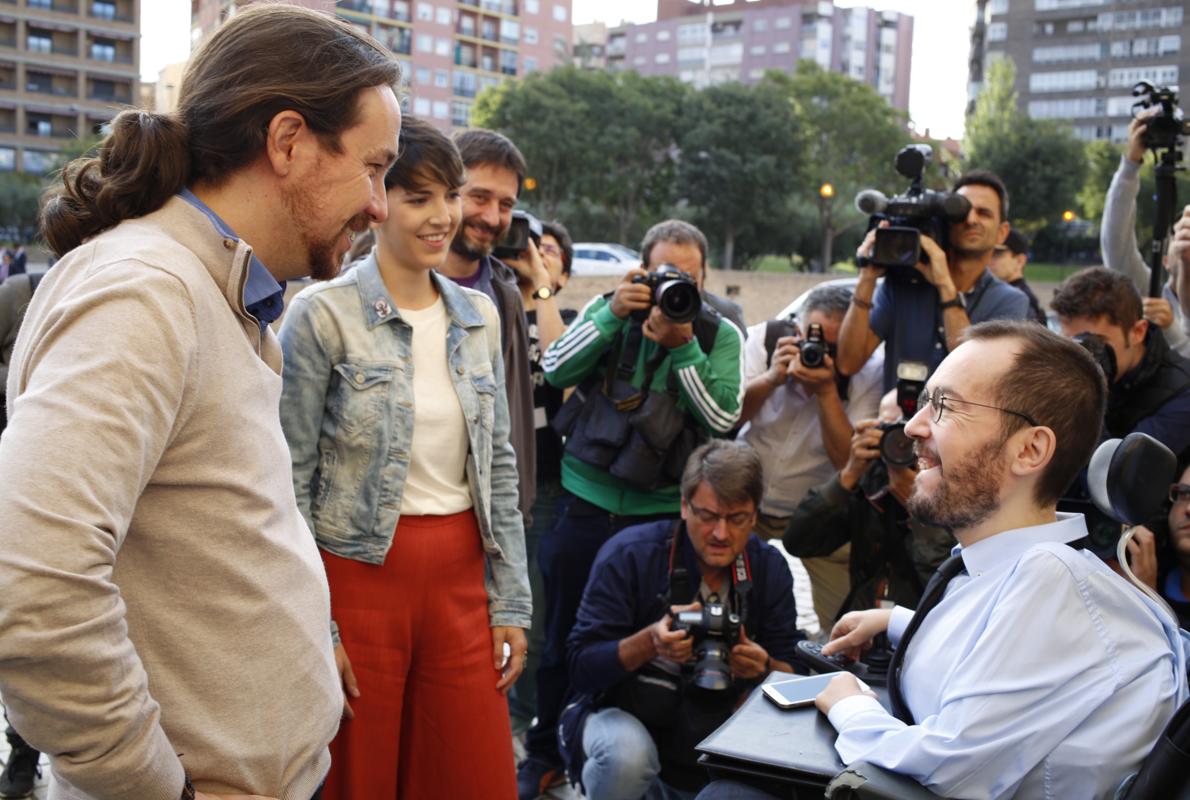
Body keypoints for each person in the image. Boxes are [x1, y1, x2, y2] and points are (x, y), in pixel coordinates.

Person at [0, 7, 402, 799]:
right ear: (287, 143)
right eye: (375, 167)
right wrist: (149, 785)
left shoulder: (215, 291)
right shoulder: (147, 294)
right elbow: (29, 585)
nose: (381, 206)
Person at [700, 320, 1189, 800]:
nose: (912, 426)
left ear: (1031, 449)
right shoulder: (1009, 569)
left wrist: (851, 706)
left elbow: (947, 768)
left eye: (944, 406)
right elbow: (993, 652)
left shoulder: (1052, 583)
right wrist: (898, 622)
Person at [277, 116, 529, 799]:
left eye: (449, 194)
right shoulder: (321, 315)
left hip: (461, 579)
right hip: (356, 578)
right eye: (419, 197)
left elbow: (498, 467)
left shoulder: (480, 316)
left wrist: (512, 600)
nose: (442, 215)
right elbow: (288, 483)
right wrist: (315, 624)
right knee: (357, 774)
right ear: (378, 201)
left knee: (471, 773)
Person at [517, 219, 745, 799]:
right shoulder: (609, 308)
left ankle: (638, 752)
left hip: (660, 517)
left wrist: (682, 344)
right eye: (662, 272)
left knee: (652, 643)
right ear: (639, 269)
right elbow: (556, 369)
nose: (674, 284)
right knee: (560, 631)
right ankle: (545, 749)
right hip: (585, 502)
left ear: (704, 276)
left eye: (687, 275)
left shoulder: (718, 333)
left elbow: (721, 420)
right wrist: (611, 314)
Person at [560, 440, 803, 798]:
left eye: (736, 519)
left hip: (719, 733)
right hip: (626, 716)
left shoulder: (767, 568)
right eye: (708, 516)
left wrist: (763, 666)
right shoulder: (631, 555)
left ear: (754, 516)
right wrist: (649, 643)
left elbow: (796, 676)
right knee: (625, 758)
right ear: (684, 507)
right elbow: (579, 668)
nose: (721, 534)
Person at [737, 284, 883, 631]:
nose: (821, 354)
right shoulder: (765, 339)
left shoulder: (868, 371)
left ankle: (837, 661)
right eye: (813, 340)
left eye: (834, 347)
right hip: (745, 496)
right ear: (797, 330)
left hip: (815, 511)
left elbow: (849, 462)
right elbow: (729, 415)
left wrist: (827, 392)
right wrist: (772, 377)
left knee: (845, 618)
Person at [836, 170, 1031, 391]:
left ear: (1002, 233)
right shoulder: (901, 285)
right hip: (898, 425)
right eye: (961, 211)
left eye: (984, 213)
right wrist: (867, 276)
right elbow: (848, 363)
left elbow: (981, 375)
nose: (970, 219)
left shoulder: (1011, 301)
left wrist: (945, 286)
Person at [440, 128, 541, 523]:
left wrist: (515, 511)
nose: (492, 217)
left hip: (479, 516)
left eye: (506, 204)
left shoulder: (505, 294)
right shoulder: (377, 279)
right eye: (479, 197)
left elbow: (511, 414)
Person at [783, 390, 954, 616]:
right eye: (888, 427)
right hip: (863, 614)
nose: (900, 441)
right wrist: (848, 476)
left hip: (922, 622)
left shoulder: (954, 489)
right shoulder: (872, 482)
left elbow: (946, 586)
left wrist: (922, 509)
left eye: (908, 429)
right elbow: (799, 541)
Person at [508, 218, 577, 735]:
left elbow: (561, 368)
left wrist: (542, 286)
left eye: (548, 250)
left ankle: (523, 715)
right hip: (492, 476)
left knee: (532, 598)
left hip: (546, 484)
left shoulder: (569, 317)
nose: (535, 254)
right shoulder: (490, 301)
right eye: (529, 246)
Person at [1051, 267, 1190, 464]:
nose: (1081, 355)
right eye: (1072, 343)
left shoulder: (1182, 394)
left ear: (1138, 332)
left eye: (1095, 341)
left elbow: (1116, 473)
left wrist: (1088, 397)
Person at [1101, 109, 1190, 358]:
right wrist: (1130, 163)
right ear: (1165, 259)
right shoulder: (1150, 291)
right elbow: (1116, 244)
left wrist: (1171, 328)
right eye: (1180, 236)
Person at [988, 227, 1046, 325]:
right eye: (986, 254)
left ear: (1020, 261)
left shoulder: (1020, 302)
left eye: (996, 255)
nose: (988, 261)